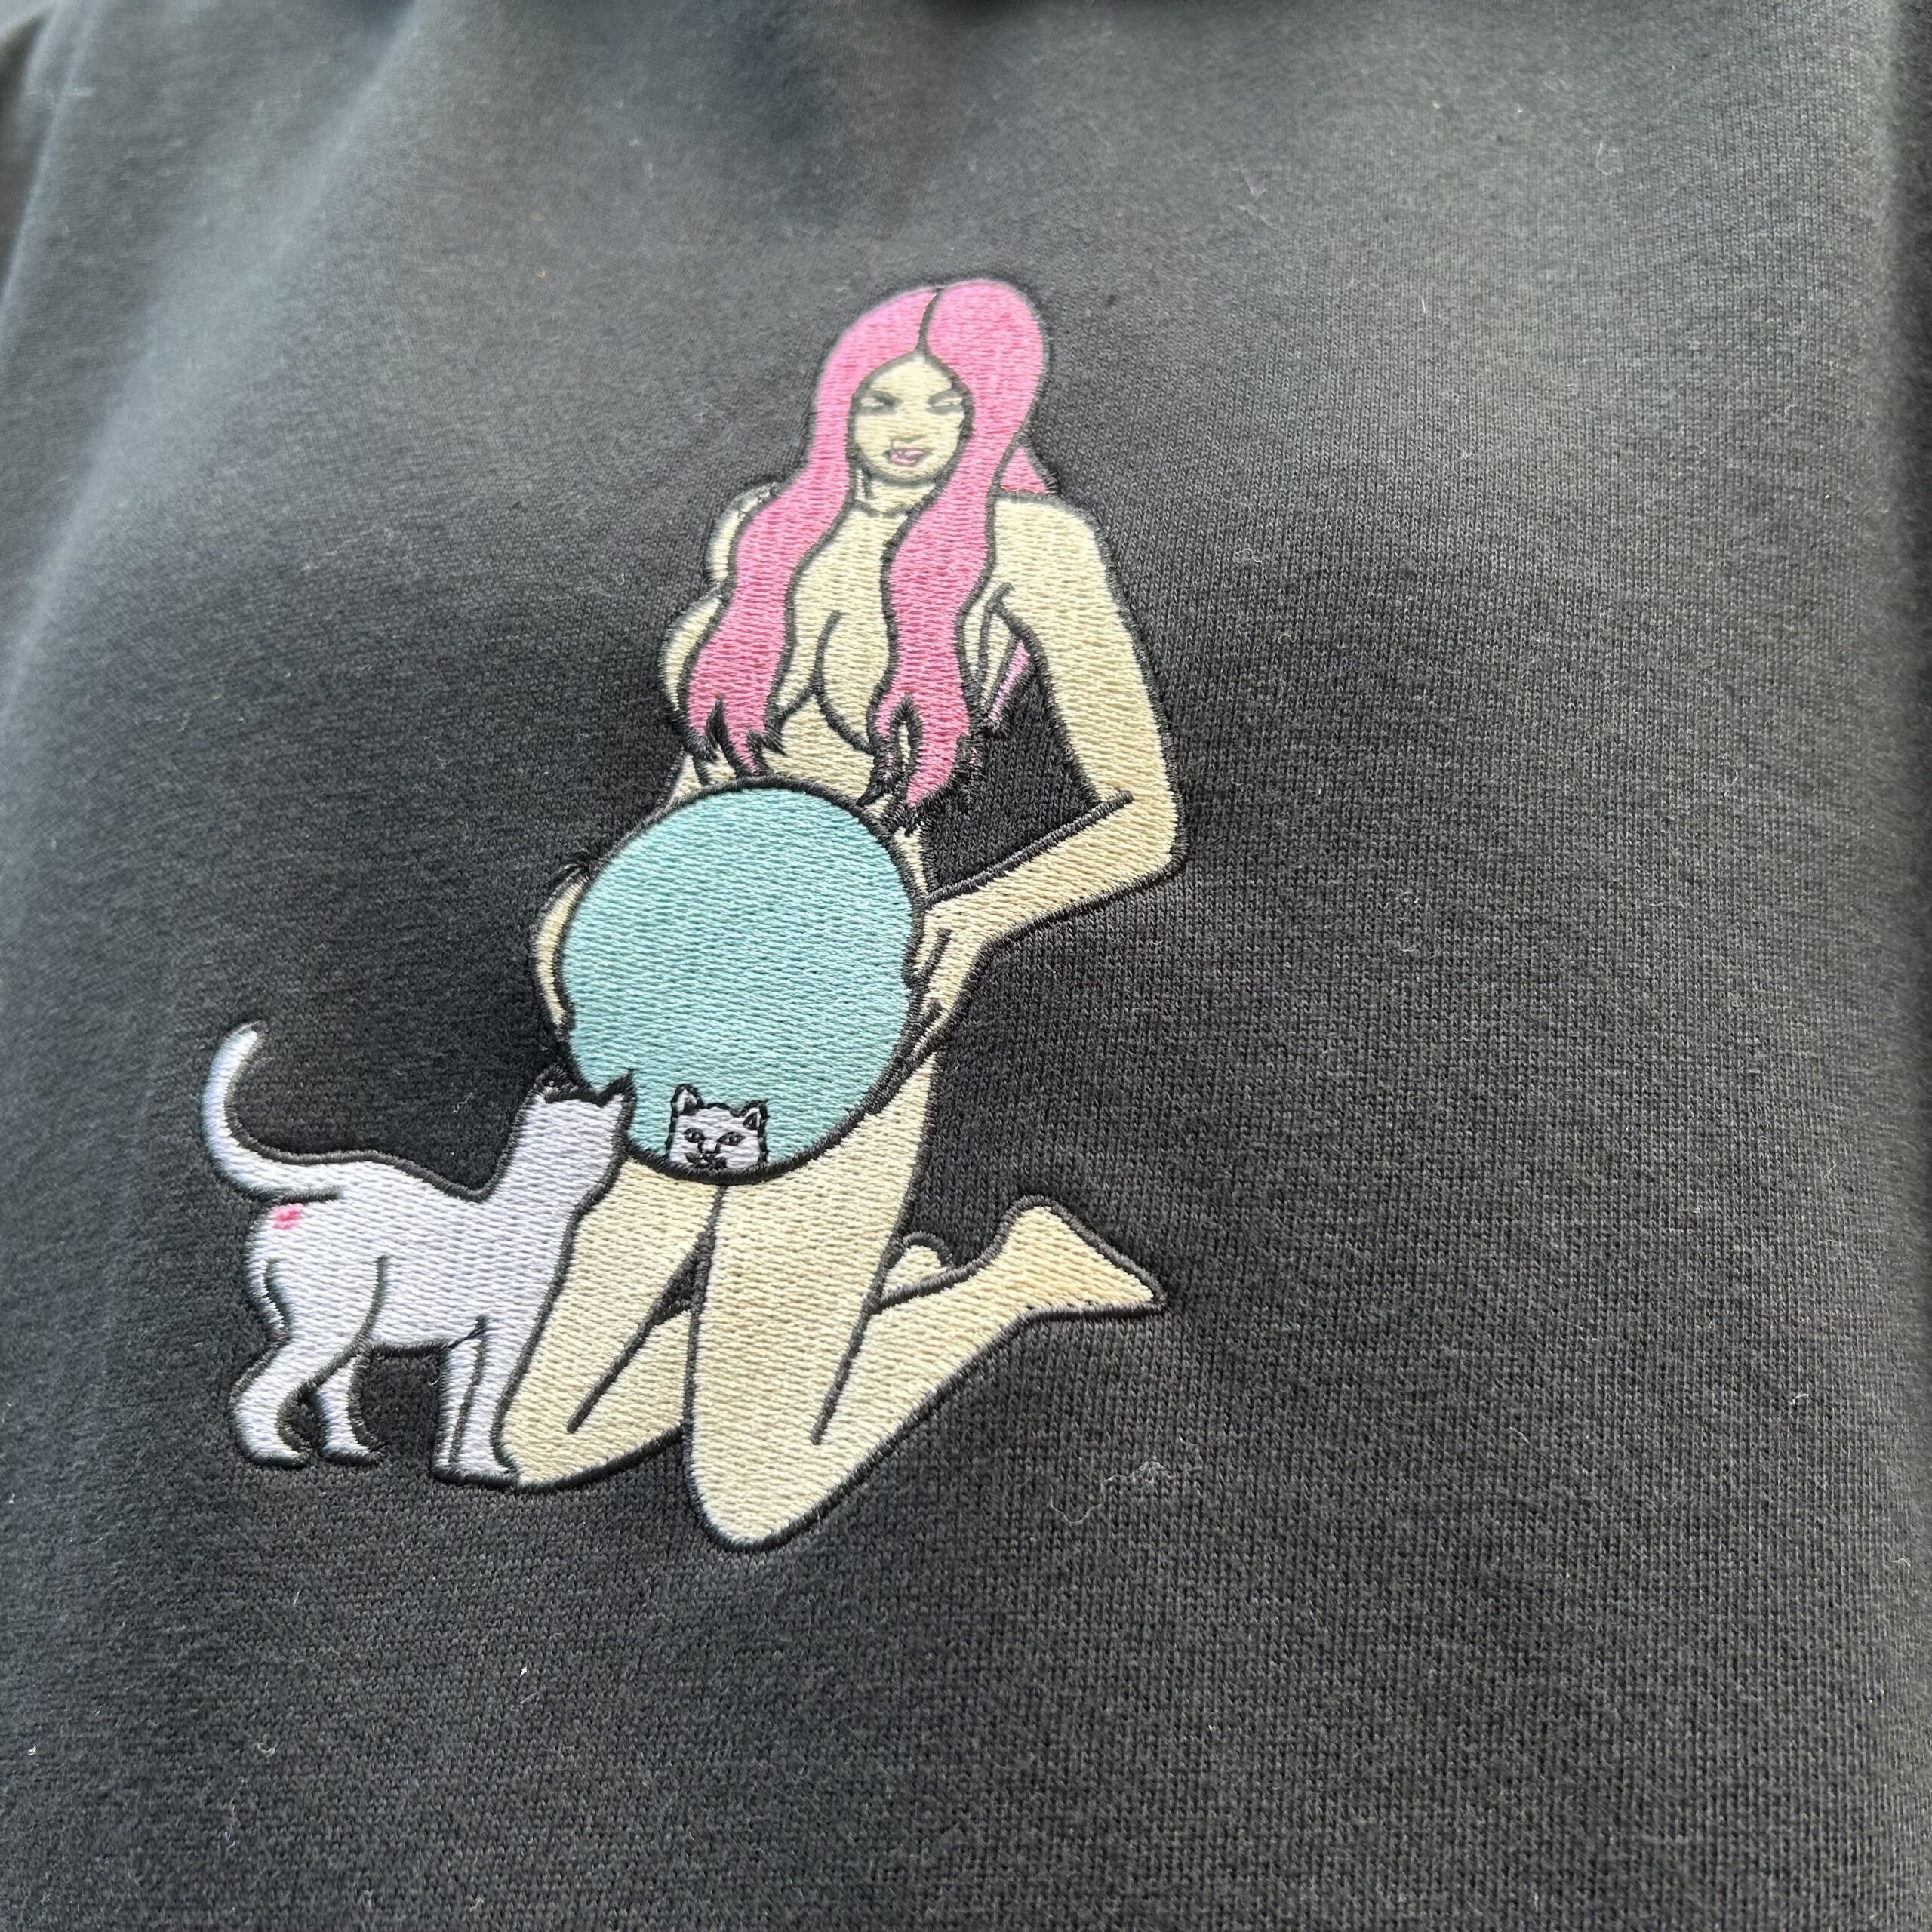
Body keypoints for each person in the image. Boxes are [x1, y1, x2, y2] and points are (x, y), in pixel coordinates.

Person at [499, 279, 1183, 1545]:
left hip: (855, 998)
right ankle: (857, 1308)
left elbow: (1141, 815)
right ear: (841, 404)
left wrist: (979, 917)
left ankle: (1011, 1280)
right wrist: (603, 921)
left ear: (992, 416)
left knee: (752, 1494)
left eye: (948, 403)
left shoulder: (1034, 550)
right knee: (531, 1440)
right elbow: (706, 780)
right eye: (883, 398)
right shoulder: (765, 530)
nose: (909, 427)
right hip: (679, 996)